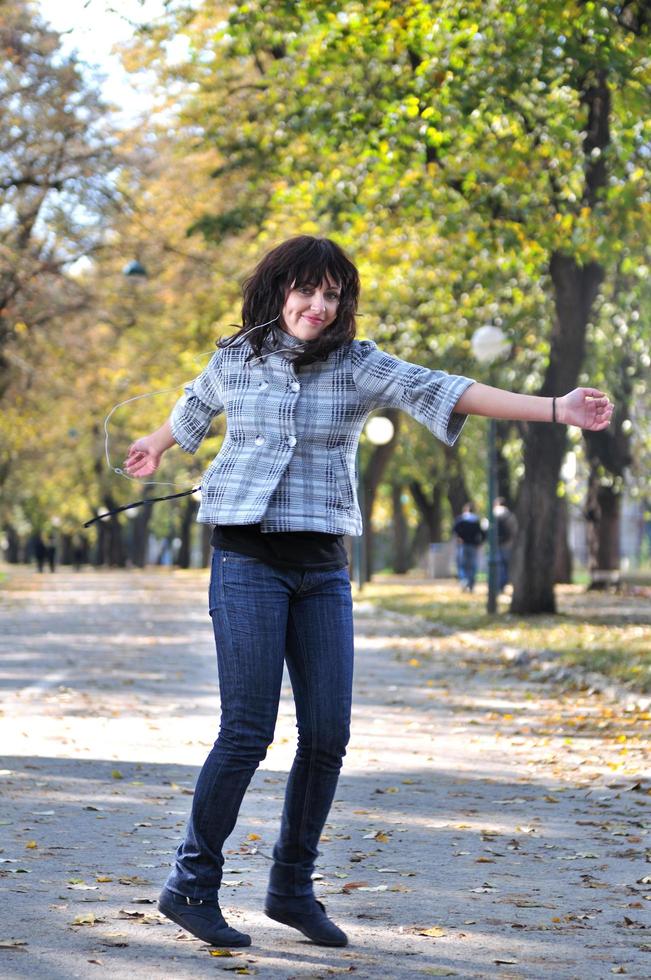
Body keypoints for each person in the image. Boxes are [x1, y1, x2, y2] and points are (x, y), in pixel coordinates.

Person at [123, 235, 613, 949]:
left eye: (332, 296)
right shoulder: (237, 358)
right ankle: (189, 883)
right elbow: (196, 403)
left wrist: (554, 408)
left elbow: (444, 389)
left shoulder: (358, 366)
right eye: (307, 291)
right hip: (246, 559)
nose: (319, 307)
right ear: (278, 289)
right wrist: (157, 443)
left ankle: (290, 888)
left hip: (322, 568)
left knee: (327, 735)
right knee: (247, 730)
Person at [453, 502, 486, 592]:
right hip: (473, 546)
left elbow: (455, 531)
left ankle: (464, 581)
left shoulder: (461, 519)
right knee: (472, 565)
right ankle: (471, 584)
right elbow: (483, 534)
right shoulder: (476, 521)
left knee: (462, 565)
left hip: (463, 545)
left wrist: (459, 538)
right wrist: (479, 543)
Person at [493, 497, 518, 591]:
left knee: (497, 564)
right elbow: (514, 529)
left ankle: (497, 585)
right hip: (507, 543)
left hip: (495, 544)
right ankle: (502, 584)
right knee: (505, 564)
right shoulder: (509, 514)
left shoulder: (493, 513)